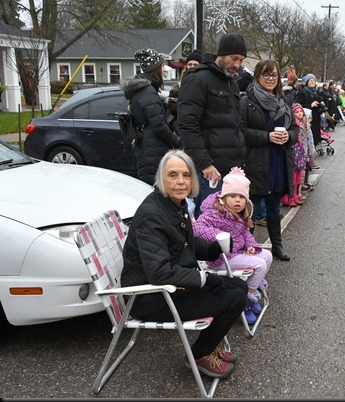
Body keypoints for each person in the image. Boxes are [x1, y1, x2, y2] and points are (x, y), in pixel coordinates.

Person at [120, 149, 248, 379]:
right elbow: (159, 272)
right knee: (235, 297)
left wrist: (213, 248)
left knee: (239, 286)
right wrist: (205, 278)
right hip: (151, 298)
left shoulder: (175, 204)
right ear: (161, 178)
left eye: (186, 175)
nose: (181, 181)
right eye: (173, 175)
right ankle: (199, 355)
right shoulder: (152, 214)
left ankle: (208, 346)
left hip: (171, 289)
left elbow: (186, 242)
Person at [177, 33, 248, 218]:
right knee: (210, 222)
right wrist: (205, 163)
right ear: (221, 54)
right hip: (210, 171)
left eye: (241, 60)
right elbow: (187, 124)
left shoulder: (231, 82)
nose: (237, 64)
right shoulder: (197, 79)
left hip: (232, 168)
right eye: (234, 58)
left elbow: (234, 125)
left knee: (231, 222)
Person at [193, 167, 272, 325]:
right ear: (223, 197)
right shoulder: (215, 213)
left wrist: (251, 246)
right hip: (221, 258)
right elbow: (197, 228)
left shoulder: (239, 214)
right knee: (259, 264)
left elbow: (245, 233)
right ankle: (248, 299)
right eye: (233, 196)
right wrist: (221, 236)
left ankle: (253, 287)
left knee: (267, 256)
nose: (237, 201)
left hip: (236, 253)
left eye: (241, 197)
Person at [239, 60, 299, 261]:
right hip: (255, 163)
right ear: (257, 76)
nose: (271, 78)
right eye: (266, 74)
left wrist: (288, 136)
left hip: (278, 161)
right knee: (251, 210)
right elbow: (240, 131)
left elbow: (295, 129)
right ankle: (247, 248)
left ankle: (277, 245)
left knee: (274, 207)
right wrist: (267, 136)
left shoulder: (283, 101)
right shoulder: (246, 101)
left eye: (274, 75)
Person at [121, 48, 182, 185]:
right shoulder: (148, 92)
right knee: (155, 188)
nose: (164, 70)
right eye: (162, 66)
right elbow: (159, 125)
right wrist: (177, 143)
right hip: (153, 152)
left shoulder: (144, 90)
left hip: (148, 149)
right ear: (154, 69)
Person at [164, 49, 204, 134]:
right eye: (190, 64)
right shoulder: (178, 86)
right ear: (186, 66)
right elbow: (171, 105)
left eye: (195, 64)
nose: (192, 66)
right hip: (181, 126)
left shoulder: (205, 84)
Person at [294, 73, 324, 155]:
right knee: (308, 135)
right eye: (310, 80)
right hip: (307, 118)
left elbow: (318, 101)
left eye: (314, 80)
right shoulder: (302, 92)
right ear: (307, 82)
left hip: (316, 117)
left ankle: (314, 149)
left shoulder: (315, 91)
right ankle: (308, 153)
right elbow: (298, 105)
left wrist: (321, 104)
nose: (312, 82)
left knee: (315, 134)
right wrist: (310, 105)